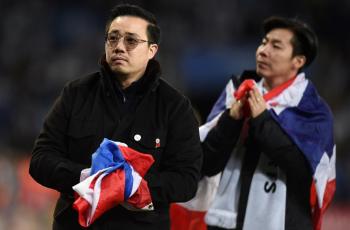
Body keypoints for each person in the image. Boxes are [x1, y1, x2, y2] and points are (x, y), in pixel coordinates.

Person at [29, 4, 202, 230]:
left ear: (152, 50)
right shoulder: (76, 93)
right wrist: (89, 179)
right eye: (113, 38)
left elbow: (187, 180)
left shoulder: (175, 107)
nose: (119, 47)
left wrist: (133, 187)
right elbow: (40, 160)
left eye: (131, 40)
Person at [200, 16, 336, 230]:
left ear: (298, 61)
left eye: (276, 46)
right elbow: (207, 163)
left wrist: (262, 121)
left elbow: (304, 174)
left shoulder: (313, 110)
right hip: (224, 222)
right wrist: (231, 120)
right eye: (263, 42)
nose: (263, 50)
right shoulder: (234, 93)